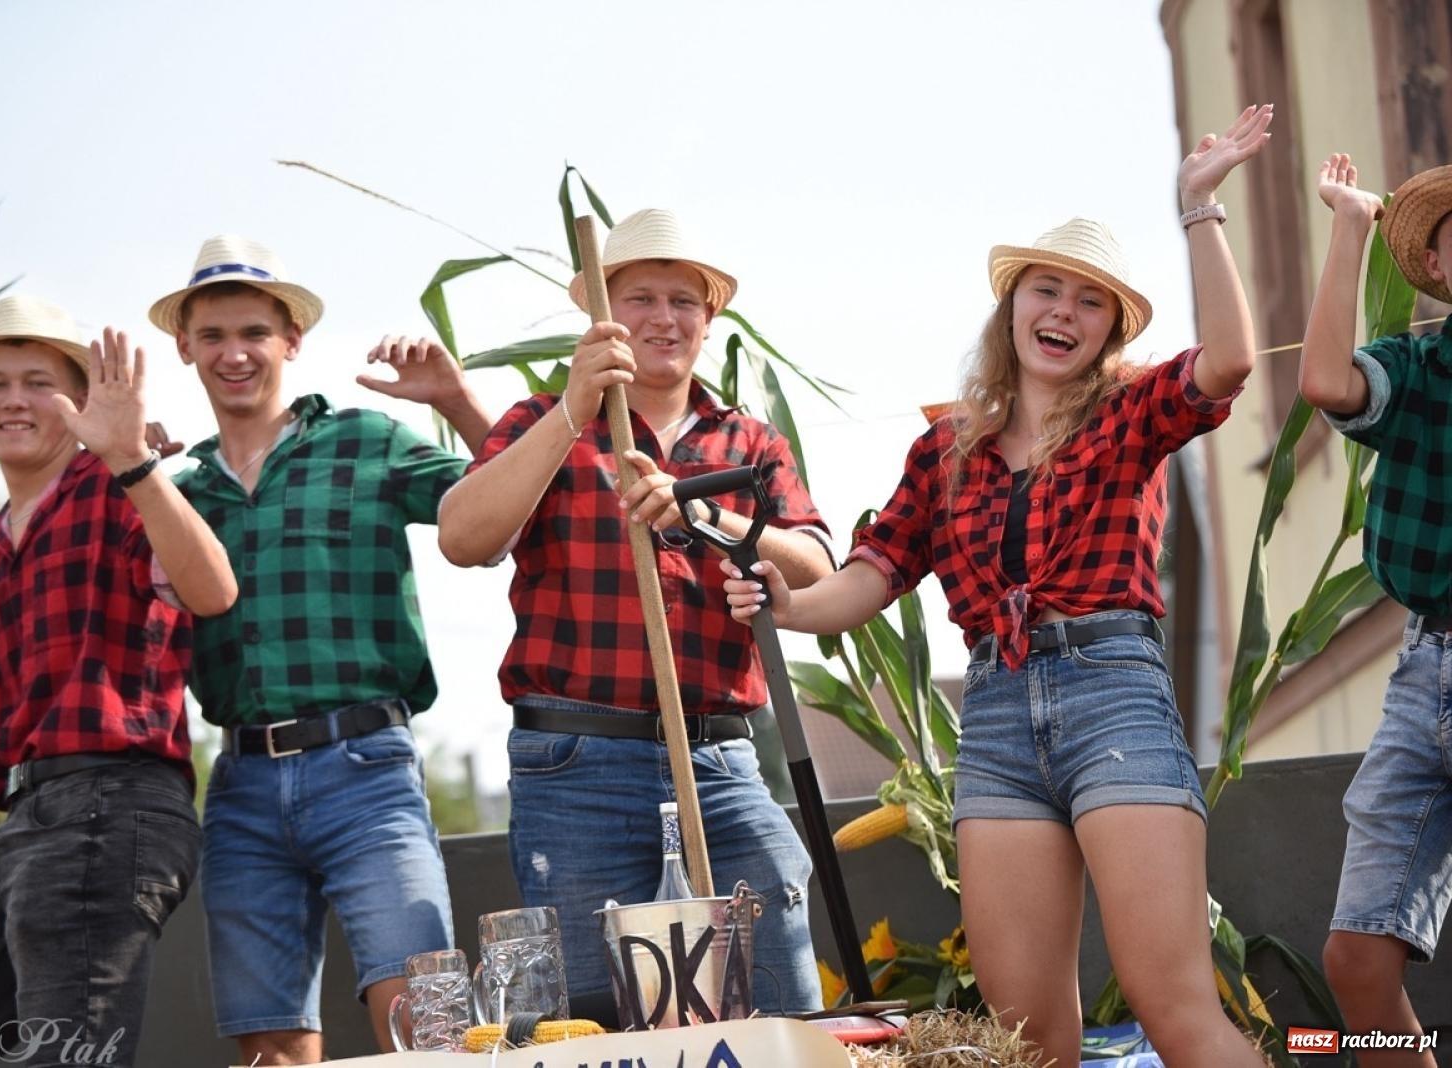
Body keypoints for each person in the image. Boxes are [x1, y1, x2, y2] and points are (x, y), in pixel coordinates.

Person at [724, 107, 1274, 1066]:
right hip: (997, 717)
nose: (1061, 312)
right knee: (1023, 1036)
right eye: (1045, 291)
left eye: (1088, 301)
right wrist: (786, 603)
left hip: (1113, 693)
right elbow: (868, 576)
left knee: (1171, 1002)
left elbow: (1227, 363)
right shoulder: (944, 449)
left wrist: (1199, 212)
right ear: (1011, 307)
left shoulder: (1129, 414)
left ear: (1108, 329)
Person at [437, 208, 835, 1022]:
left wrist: (702, 516)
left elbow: (818, 565)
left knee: (781, 1002)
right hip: (576, 762)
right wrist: (573, 411)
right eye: (641, 299)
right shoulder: (540, 424)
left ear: (709, 316)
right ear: (603, 319)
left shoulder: (747, 443)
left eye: (683, 300)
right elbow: (463, 537)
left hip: (719, 759)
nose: (663, 318)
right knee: (598, 1022)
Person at [0, 294, 237, 1068]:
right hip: (25, 826)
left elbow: (212, 591)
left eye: (38, 381)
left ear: (83, 402)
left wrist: (134, 461)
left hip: (113, 804)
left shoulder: (120, 494)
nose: (15, 400)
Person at [151, 234, 493, 1064]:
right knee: (268, 1040)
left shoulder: (365, 440)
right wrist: (133, 470)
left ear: (291, 340)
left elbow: (502, 515)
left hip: (366, 771)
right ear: (186, 348)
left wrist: (454, 399)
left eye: (254, 333)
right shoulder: (175, 493)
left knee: (430, 1016)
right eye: (214, 336)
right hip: (238, 788)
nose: (235, 353)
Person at [1300, 156, 1452, 1067]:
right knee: (1355, 959)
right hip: (1422, 672)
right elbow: (1325, 383)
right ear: (1434, 269)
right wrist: (1349, 225)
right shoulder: (1419, 369)